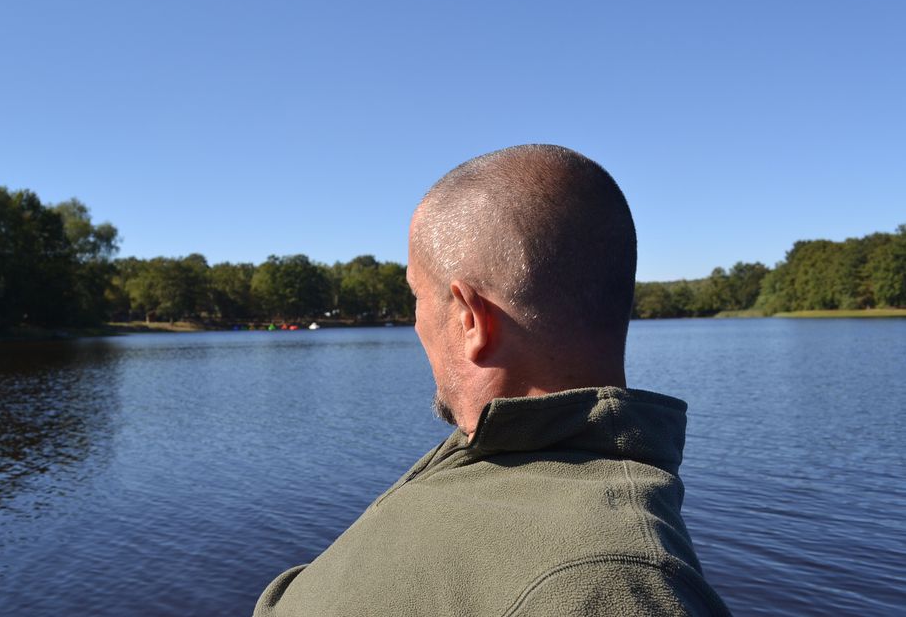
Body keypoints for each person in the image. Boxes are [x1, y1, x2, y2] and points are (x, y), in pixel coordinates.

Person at [253, 144, 731, 616]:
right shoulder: (491, 449)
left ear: (469, 319)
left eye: (417, 297)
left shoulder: (608, 581)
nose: (414, 322)